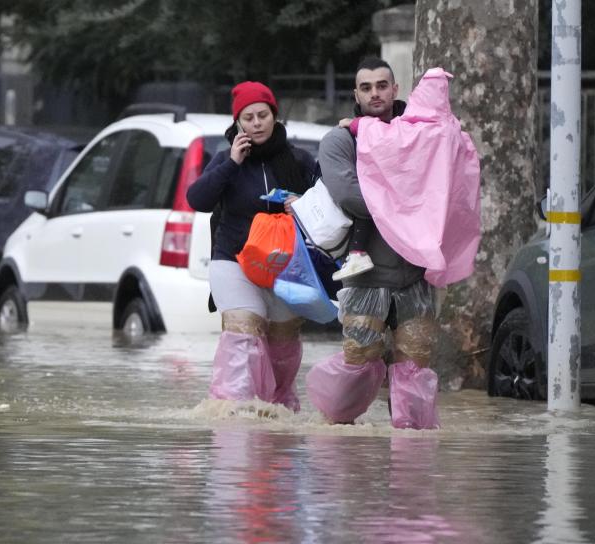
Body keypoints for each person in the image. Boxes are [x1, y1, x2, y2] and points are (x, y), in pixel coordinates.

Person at [306, 57, 440, 429]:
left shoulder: (418, 133)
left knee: (415, 364)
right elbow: (349, 195)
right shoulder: (339, 140)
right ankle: (331, 432)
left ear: (395, 90)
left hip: (416, 273)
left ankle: (414, 458)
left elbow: (443, 182)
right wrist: (409, 202)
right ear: (356, 93)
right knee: (360, 360)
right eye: (366, 87)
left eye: (382, 85)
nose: (375, 93)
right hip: (364, 275)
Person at [187, 81, 318, 412]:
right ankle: (231, 410)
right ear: (238, 123)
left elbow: (325, 209)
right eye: (248, 117)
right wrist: (232, 163)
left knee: (282, 345)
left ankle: (277, 409)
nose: (257, 123)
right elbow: (197, 199)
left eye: (263, 115)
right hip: (233, 261)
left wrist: (302, 204)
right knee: (244, 334)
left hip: (287, 266)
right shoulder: (225, 160)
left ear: (274, 116)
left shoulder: (300, 161)